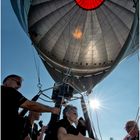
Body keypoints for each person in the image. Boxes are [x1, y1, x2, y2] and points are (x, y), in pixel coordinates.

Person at [1, 74, 60, 140]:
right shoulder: (8, 91)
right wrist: (52, 109)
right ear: (8, 80)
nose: (18, 86)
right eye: (18, 83)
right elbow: (30, 105)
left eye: (20, 85)